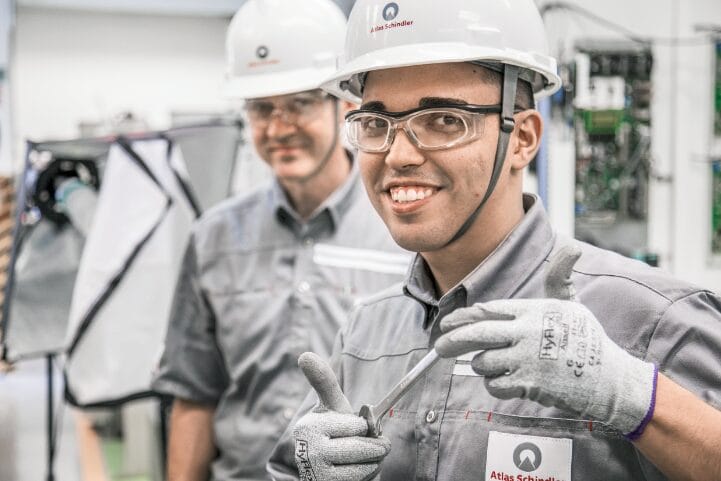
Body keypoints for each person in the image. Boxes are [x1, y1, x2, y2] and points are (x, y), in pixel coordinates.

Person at [267, 1, 721, 480]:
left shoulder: (651, 322)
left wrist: (637, 399)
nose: (397, 154)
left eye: (442, 119)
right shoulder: (364, 336)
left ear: (522, 138)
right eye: (376, 124)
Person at [151, 1, 409, 479]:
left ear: (345, 107)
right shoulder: (215, 238)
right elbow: (194, 394)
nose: (278, 128)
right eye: (261, 109)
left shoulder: (400, 230)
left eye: (300, 104)